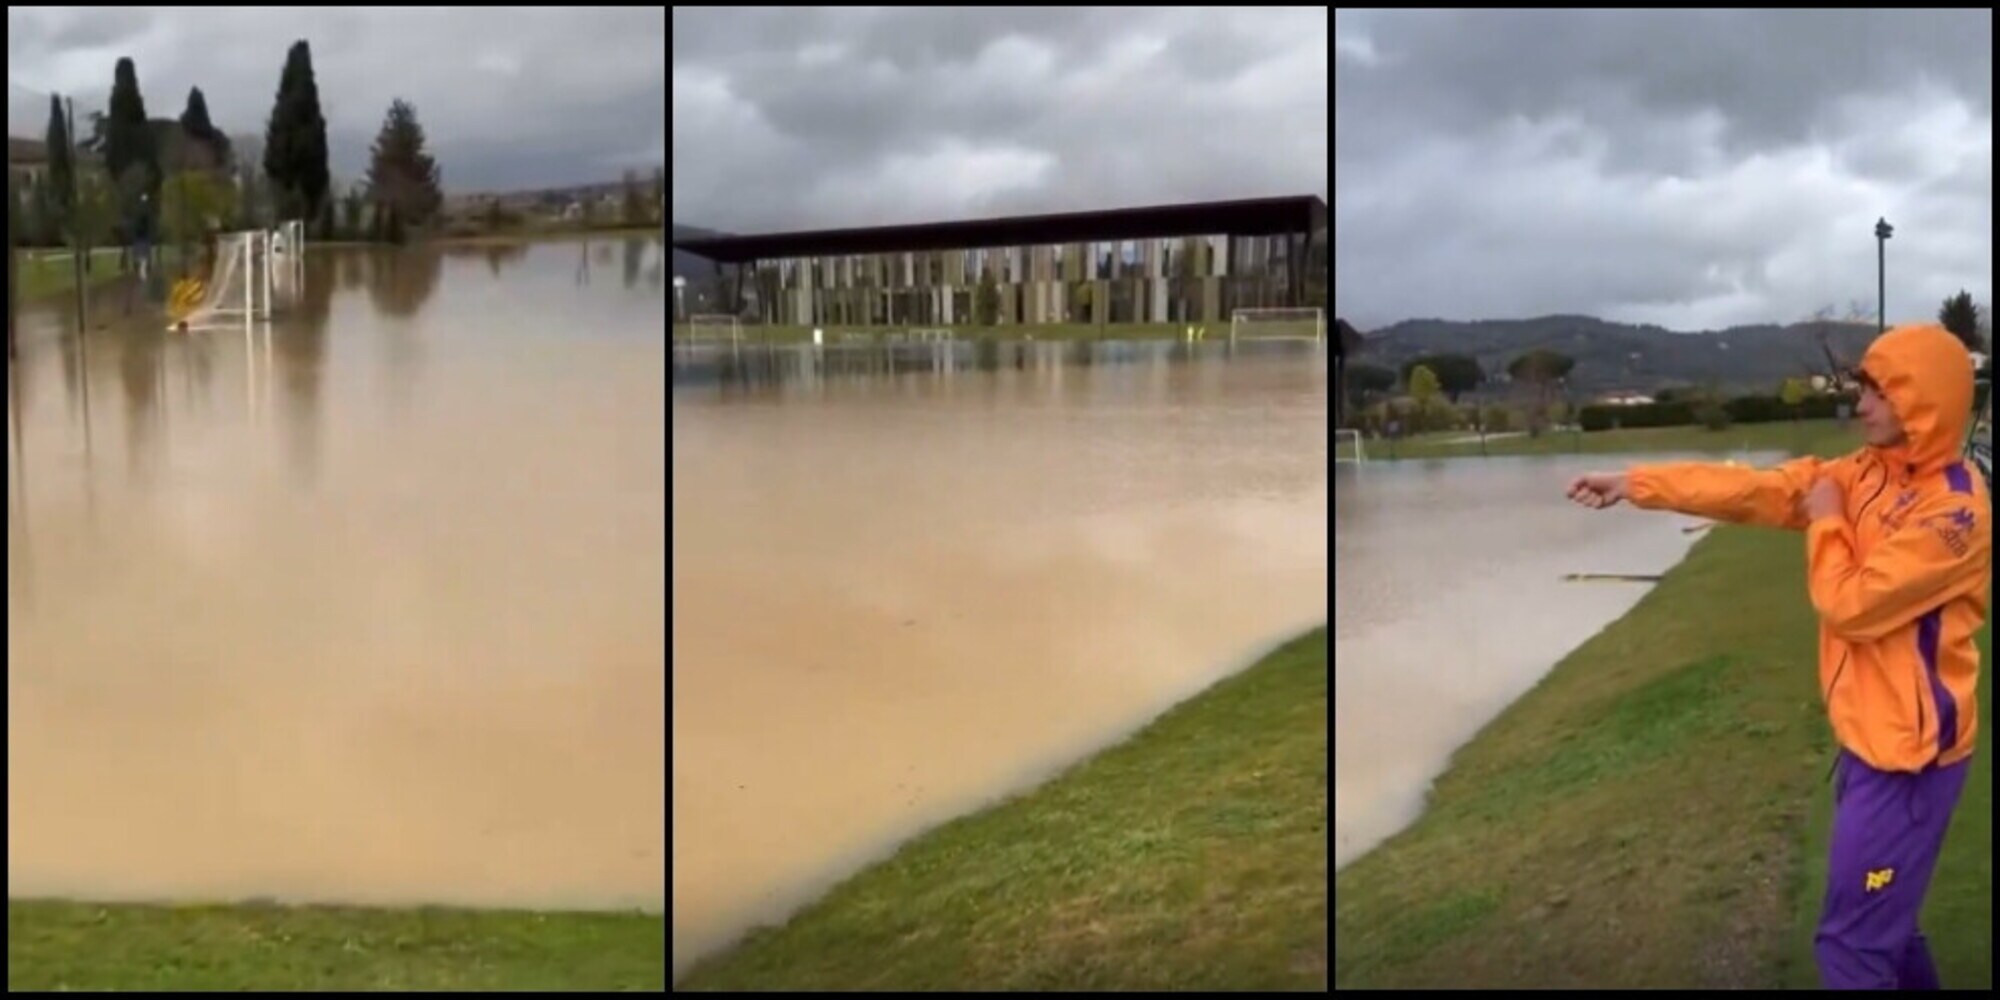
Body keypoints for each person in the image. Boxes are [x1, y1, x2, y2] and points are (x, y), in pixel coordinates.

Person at [1566, 322, 1988, 989]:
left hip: (1909, 765)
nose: (1859, 405)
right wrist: (1635, 483)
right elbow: (1751, 490)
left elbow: (1851, 605)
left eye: (1878, 393)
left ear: (1923, 401)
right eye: (1862, 389)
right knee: (1887, 927)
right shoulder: (1861, 473)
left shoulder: (1956, 516)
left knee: (1852, 949)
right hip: (1867, 744)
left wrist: (1826, 520)